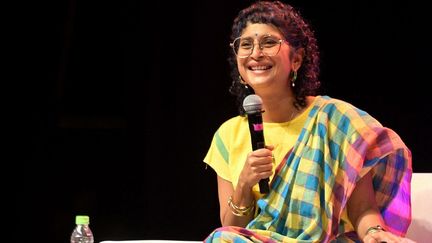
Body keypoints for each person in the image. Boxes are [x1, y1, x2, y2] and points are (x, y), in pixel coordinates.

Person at [203, 1, 415, 242]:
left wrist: (375, 233)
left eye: (269, 42)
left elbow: (363, 208)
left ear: (297, 59)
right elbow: (232, 227)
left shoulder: (335, 120)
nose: (255, 53)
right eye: (246, 45)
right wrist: (243, 185)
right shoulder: (228, 134)